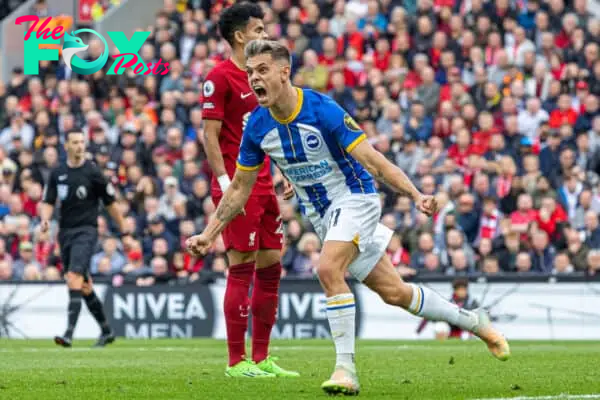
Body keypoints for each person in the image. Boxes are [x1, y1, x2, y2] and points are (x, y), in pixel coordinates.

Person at [186, 40, 510, 395]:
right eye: (249, 72)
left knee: (327, 270)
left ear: (284, 71)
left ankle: (345, 370)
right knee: (395, 292)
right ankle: (475, 322)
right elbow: (238, 189)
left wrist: (415, 194)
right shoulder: (258, 126)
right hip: (325, 217)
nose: (254, 79)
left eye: (262, 70)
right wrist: (209, 233)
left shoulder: (322, 110)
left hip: (357, 198)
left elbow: (372, 160)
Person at [200, 3, 297, 378]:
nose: (265, 35)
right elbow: (209, 137)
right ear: (240, 36)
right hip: (237, 186)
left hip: (266, 182)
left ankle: (261, 358)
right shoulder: (219, 77)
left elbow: (274, 128)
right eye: (258, 30)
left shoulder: (264, 76)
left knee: (271, 268)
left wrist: (285, 169)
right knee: (241, 268)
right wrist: (226, 185)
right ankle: (235, 361)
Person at [40, 130, 130, 347]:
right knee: (83, 285)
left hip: (87, 231)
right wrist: (45, 220)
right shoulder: (58, 172)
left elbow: (110, 203)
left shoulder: (93, 172)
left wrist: (124, 231)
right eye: (75, 142)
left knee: (73, 277)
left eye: (82, 142)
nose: (80, 146)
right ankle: (107, 331)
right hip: (65, 232)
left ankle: (69, 333)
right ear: (67, 146)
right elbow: (49, 200)